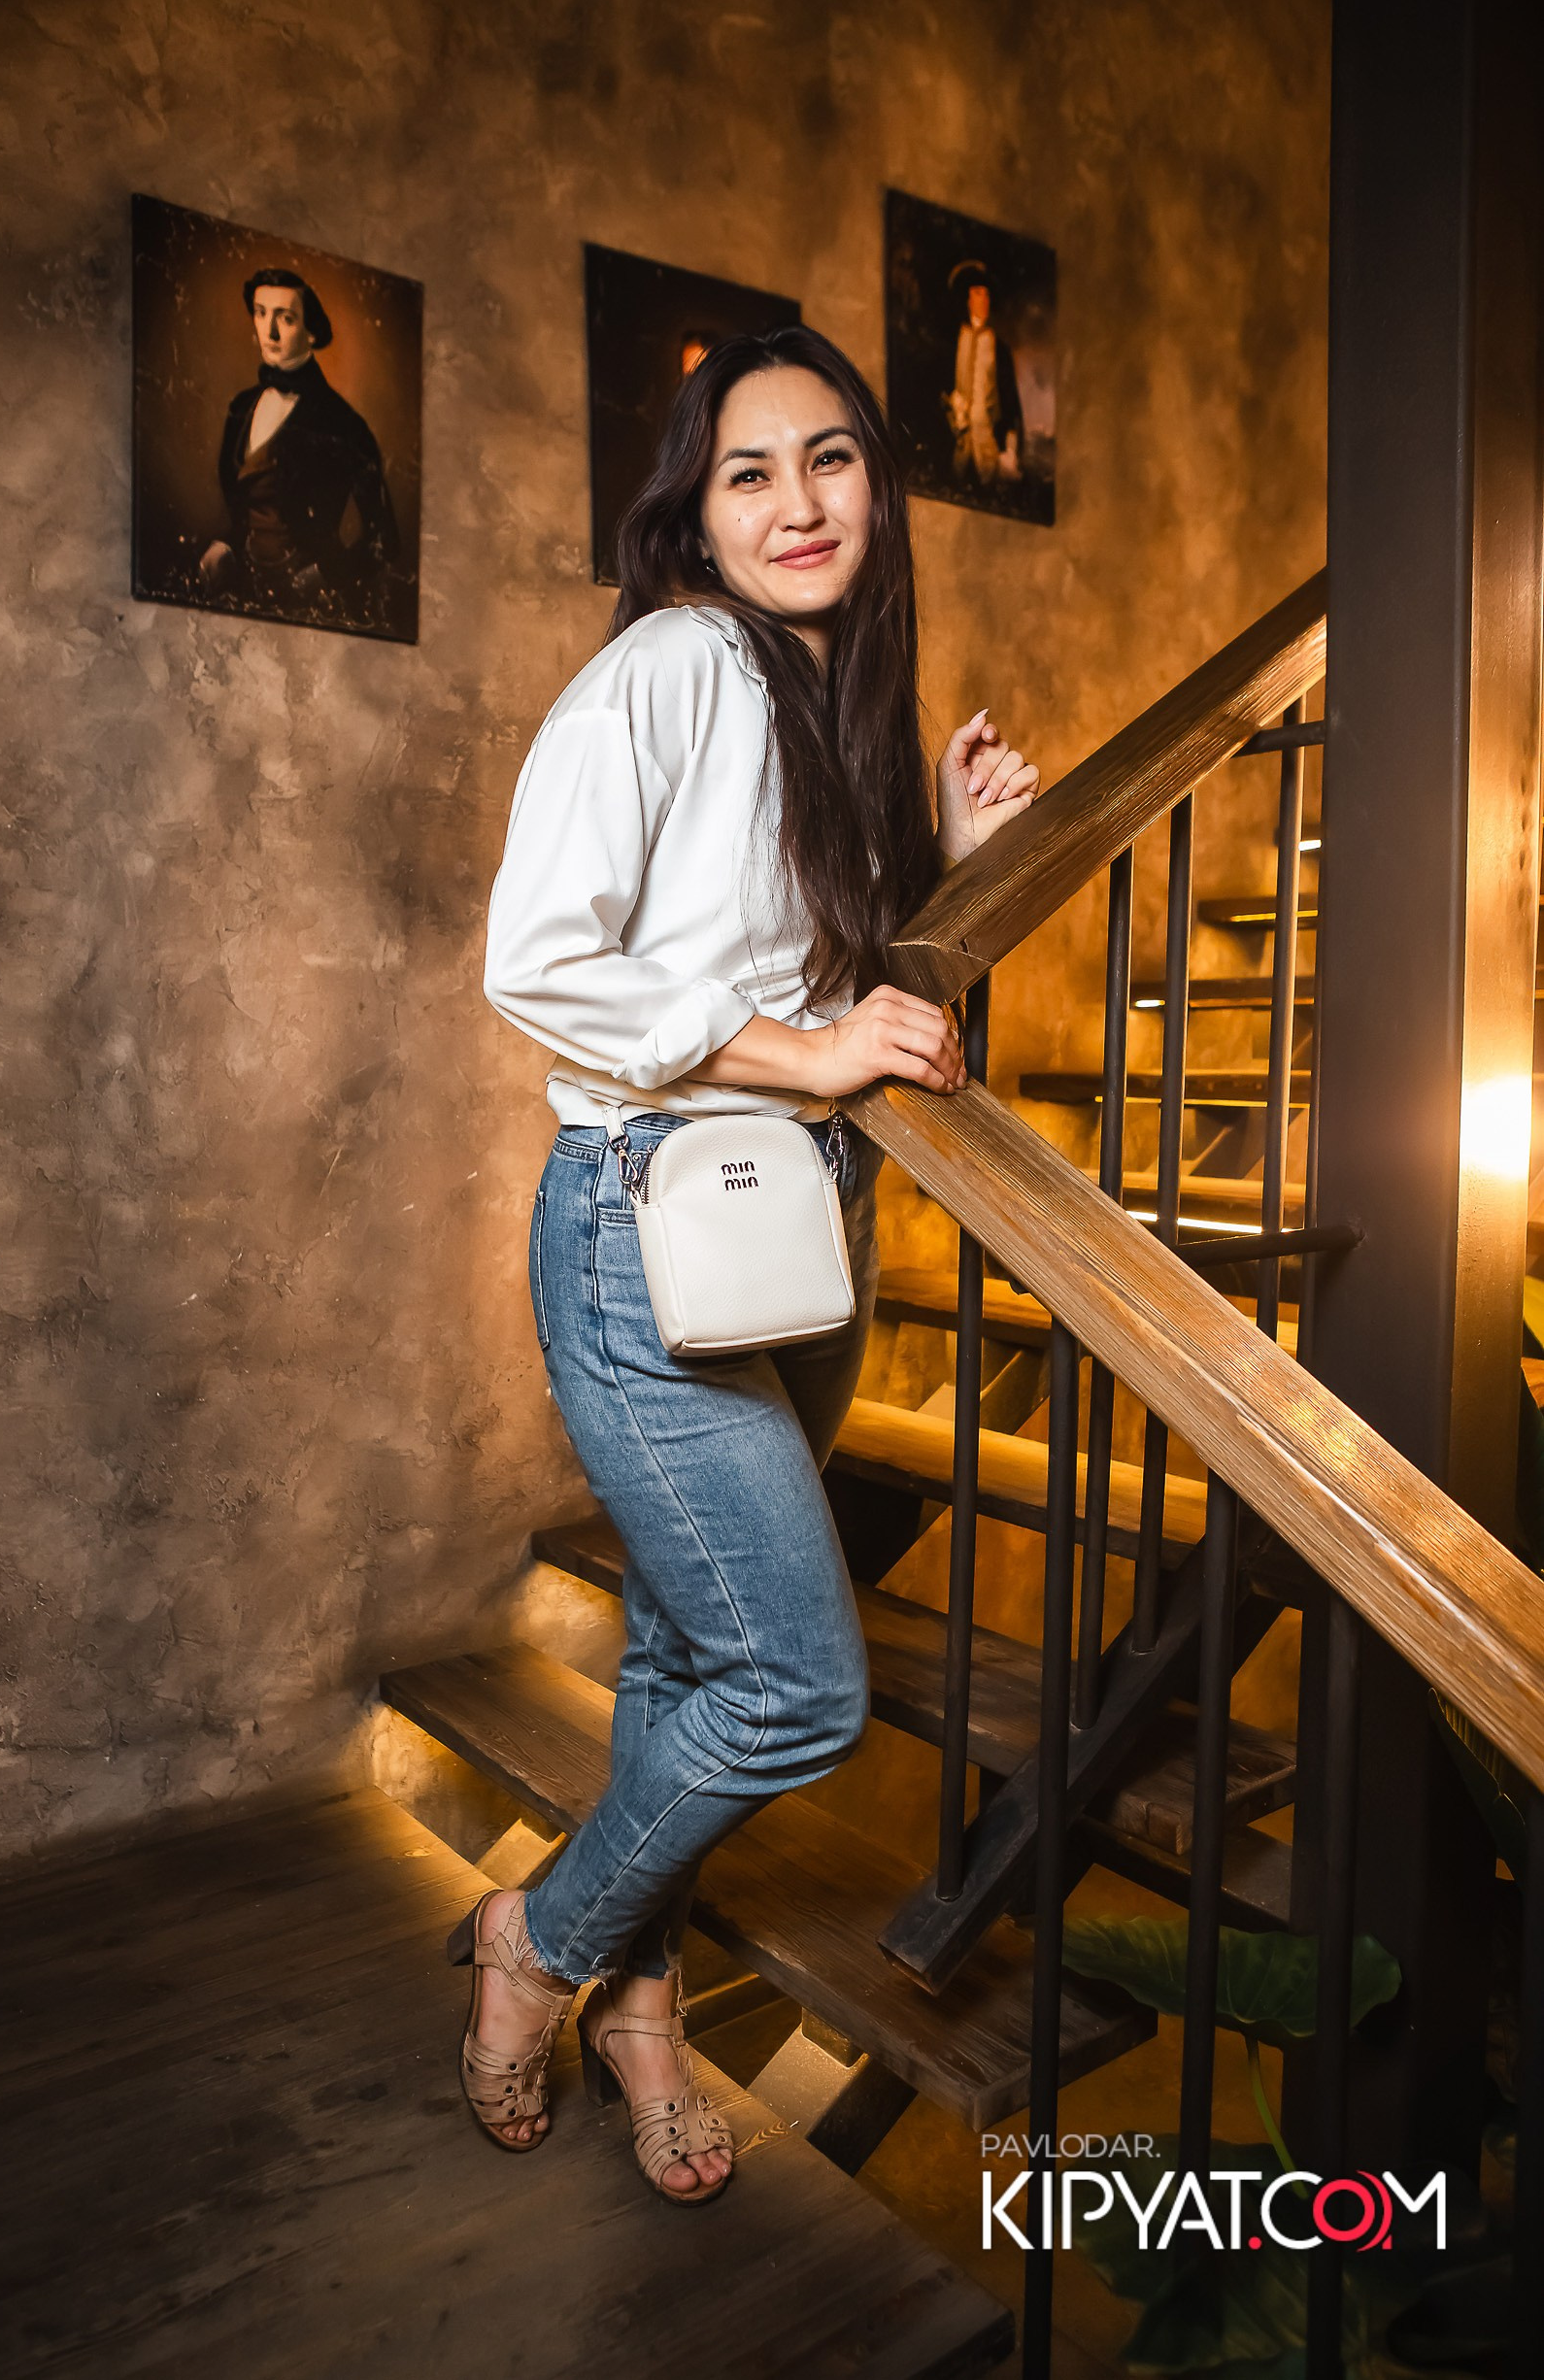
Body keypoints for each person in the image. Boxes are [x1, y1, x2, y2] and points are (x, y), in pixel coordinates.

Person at [473, 324, 1038, 2204]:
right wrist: (803, 1052)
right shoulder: (675, 662)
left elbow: (831, 995)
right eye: (747, 471)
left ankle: (633, 2002)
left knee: (683, 1645)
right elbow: (538, 957)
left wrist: (939, 860)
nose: (796, 502)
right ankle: (538, 1939)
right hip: (652, 1219)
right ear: (694, 514)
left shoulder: (813, 694)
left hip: (789, 1221)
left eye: (829, 459)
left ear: (876, 484)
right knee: (790, 1684)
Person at [198, 268, 401, 626]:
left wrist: (322, 575)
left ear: (311, 332)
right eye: (261, 313)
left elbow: (384, 541)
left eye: (286, 318)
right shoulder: (242, 407)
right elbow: (245, 509)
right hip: (244, 595)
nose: (269, 331)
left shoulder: (343, 423)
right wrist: (225, 546)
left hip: (313, 611)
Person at [946, 273, 1024, 487]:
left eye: (987, 295)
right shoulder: (955, 339)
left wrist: (1010, 440)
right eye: (978, 293)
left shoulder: (999, 348)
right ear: (968, 300)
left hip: (987, 435)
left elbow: (1009, 396)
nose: (984, 300)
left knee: (989, 480)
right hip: (959, 432)